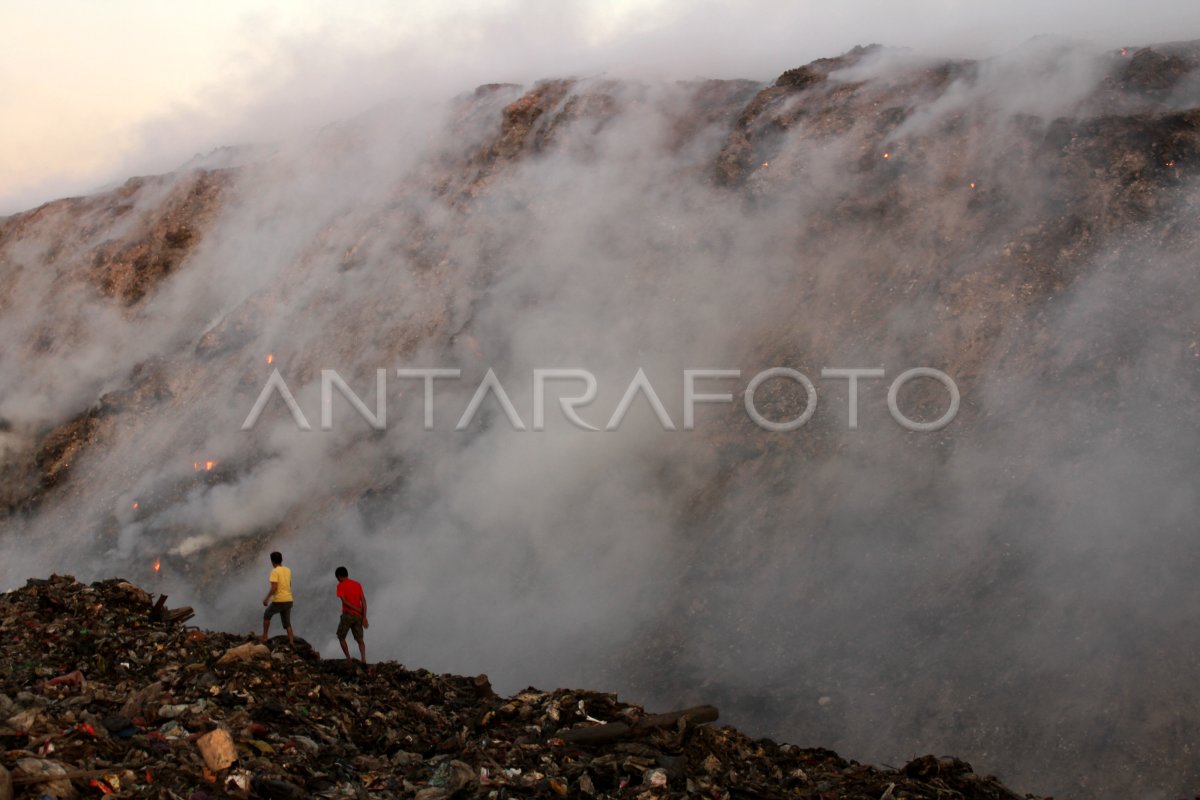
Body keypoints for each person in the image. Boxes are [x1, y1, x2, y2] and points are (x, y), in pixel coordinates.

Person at [334, 566, 368, 664]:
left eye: (337, 578)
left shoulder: (340, 586)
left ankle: (349, 659)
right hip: (359, 616)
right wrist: (364, 616)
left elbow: (344, 602)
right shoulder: (357, 584)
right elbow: (364, 601)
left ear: (339, 576)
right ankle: (363, 659)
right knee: (360, 639)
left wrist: (356, 609)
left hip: (348, 615)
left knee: (341, 637)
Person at [262, 551, 295, 646]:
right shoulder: (288, 570)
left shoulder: (274, 571)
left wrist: (267, 598)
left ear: (272, 561)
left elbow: (274, 587)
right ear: (281, 560)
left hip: (279, 600)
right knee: (287, 623)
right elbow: (289, 584)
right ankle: (291, 642)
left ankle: (264, 636)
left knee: (267, 614)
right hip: (289, 599)